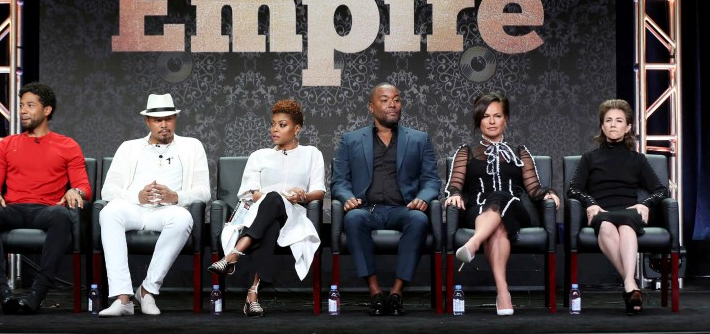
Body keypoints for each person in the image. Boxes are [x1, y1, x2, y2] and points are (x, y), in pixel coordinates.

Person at [0, 82, 92, 315]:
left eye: (30, 105)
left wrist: (74, 191)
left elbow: (84, 187)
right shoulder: (7, 144)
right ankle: (2, 291)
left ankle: (37, 294)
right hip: (13, 208)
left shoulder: (67, 145)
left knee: (62, 216)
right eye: (21, 106)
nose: (23, 111)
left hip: (46, 210)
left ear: (47, 110)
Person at [330, 82, 441, 316]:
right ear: (371, 107)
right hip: (366, 209)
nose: (392, 104)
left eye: (397, 99)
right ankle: (375, 292)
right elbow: (339, 181)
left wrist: (423, 198)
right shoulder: (350, 140)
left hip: (403, 208)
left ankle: (397, 292)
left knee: (419, 220)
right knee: (353, 219)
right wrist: (347, 198)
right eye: (385, 100)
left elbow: (432, 181)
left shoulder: (419, 139)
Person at [443, 92, 559, 316]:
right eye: (486, 116)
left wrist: (548, 194)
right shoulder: (466, 152)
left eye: (497, 115)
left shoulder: (519, 152)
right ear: (479, 121)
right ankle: (503, 293)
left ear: (506, 119)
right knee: (497, 230)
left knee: (501, 196)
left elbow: (533, 188)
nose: (492, 121)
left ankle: (474, 243)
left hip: (514, 208)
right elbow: (454, 184)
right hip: (477, 210)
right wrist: (454, 194)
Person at [208, 99, 325, 317]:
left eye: (282, 125)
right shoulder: (259, 156)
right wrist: (280, 196)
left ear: (297, 128)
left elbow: (319, 192)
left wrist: (302, 195)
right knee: (271, 212)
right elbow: (249, 193)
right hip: (259, 213)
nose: (274, 129)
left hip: (293, 216)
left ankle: (233, 255)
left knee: (273, 207)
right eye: (273, 124)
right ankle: (252, 294)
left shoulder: (311, 154)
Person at [98, 93, 210, 317]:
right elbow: (107, 190)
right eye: (158, 120)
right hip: (134, 208)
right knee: (109, 212)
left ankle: (147, 290)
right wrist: (136, 196)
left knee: (183, 218)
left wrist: (175, 196)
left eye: (169, 119)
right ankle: (123, 299)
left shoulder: (192, 146)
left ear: (175, 120)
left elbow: (204, 192)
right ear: (147, 122)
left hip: (168, 211)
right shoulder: (129, 148)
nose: (164, 124)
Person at [567, 99, 668, 315]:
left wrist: (645, 203)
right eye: (608, 120)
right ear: (602, 126)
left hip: (629, 211)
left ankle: (629, 284)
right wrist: (591, 204)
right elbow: (573, 189)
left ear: (628, 127)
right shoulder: (589, 158)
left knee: (626, 226)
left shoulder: (637, 159)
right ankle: (631, 285)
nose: (613, 125)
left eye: (619, 120)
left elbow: (661, 190)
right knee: (605, 226)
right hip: (602, 211)